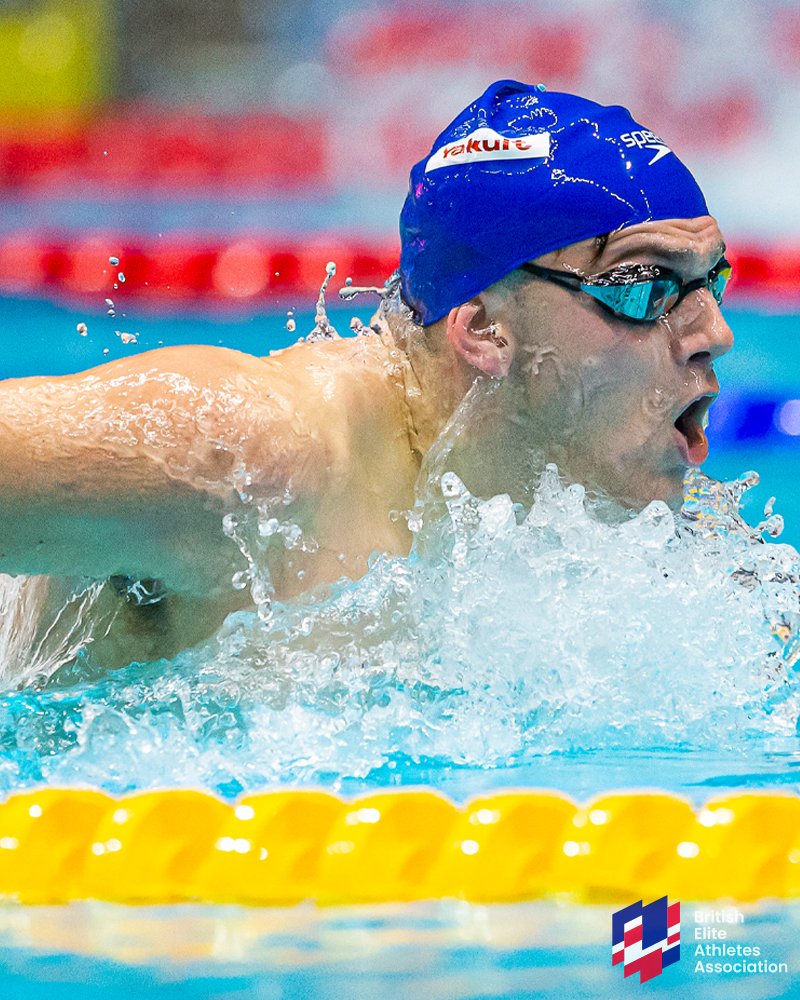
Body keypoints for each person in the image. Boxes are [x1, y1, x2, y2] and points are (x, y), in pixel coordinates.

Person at [0, 81, 733, 669]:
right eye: (644, 285)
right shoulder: (244, 457)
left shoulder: (578, 524)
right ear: (481, 327)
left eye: (712, 283)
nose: (715, 334)